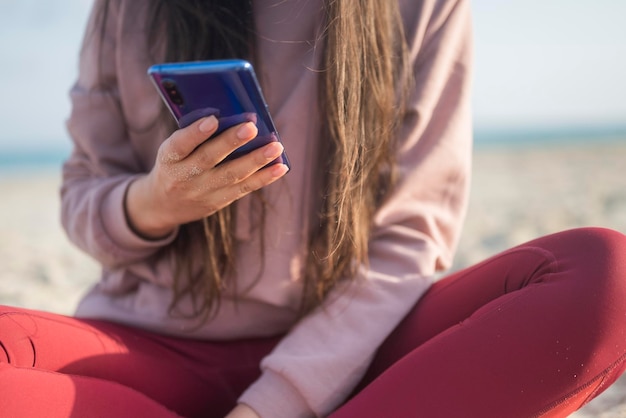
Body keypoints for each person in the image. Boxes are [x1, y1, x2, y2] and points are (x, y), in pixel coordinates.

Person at [1, 0, 625, 417]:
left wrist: (273, 405)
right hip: (148, 355)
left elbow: (411, 233)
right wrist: (157, 202)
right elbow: (83, 199)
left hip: (356, 352)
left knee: (606, 275)